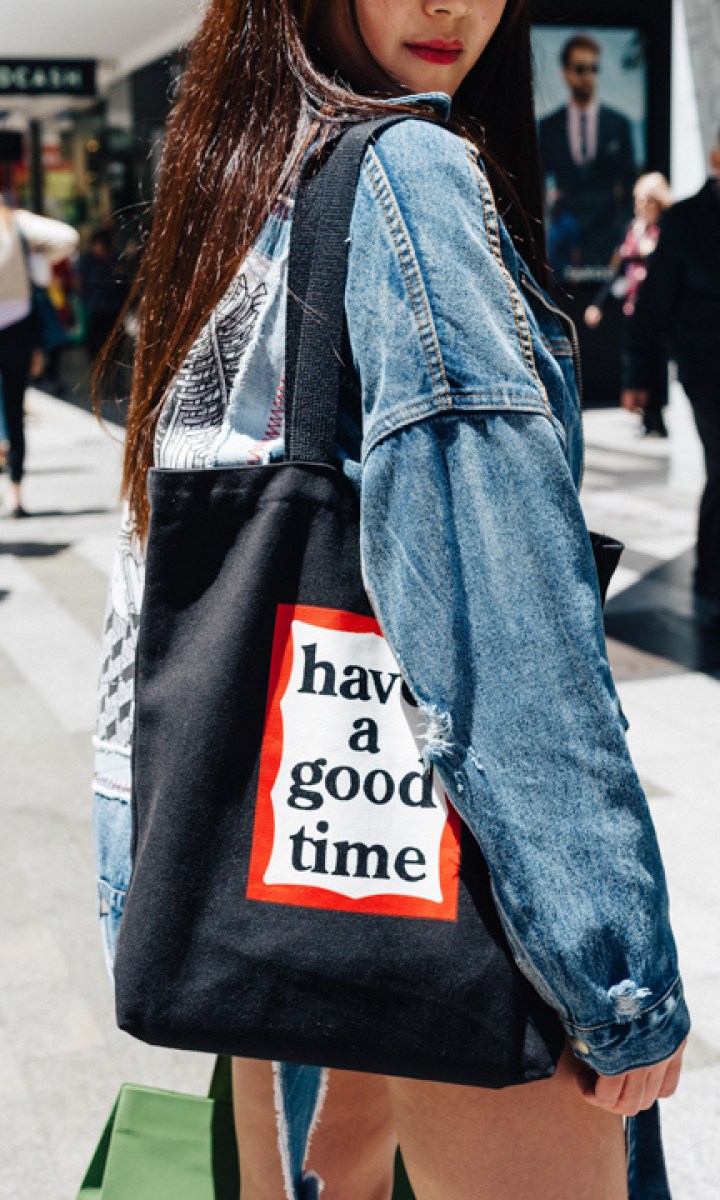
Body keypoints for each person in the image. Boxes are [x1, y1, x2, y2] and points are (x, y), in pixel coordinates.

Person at [94, 4, 689, 1199]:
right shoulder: (411, 170)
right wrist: (618, 980)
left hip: (264, 878)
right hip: (434, 894)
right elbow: (500, 624)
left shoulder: (245, 169)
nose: (448, 4)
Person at [623, 131, 720, 618]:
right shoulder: (685, 219)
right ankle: (711, 583)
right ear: (716, 158)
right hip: (709, 372)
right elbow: (653, 304)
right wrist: (637, 377)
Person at [0, 195, 78, 517]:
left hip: (17, 332)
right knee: (14, 412)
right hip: (18, 332)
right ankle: (15, 494)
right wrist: (36, 254)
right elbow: (68, 237)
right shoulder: (15, 224)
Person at [585, 172, 673, 437]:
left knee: (657, 363)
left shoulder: (668, 229)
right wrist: (599, 305)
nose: (641, 206)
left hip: (659, 311)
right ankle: (645, 416)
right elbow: (618, 271)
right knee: (635, 362)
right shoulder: (633, 229)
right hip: (633, 307)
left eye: (647, 200)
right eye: (638, 200)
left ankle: (656, 416)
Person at [538, 33, 637, 268]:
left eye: (594, 69)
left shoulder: (618, 124)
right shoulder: (550, 126)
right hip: (564, 235)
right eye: (580, 69)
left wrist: (624, 238)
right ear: (566, 72)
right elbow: (538, 181)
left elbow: (629, 185)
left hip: (608, 236)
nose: (588, 76)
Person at [75, 228, 128, 362]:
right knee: (95, 341)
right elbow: (79, 280)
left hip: (113, 307)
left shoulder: (116, 259)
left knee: (114, 340)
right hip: (94, 307)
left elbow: (124, 282)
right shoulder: (87, 260)